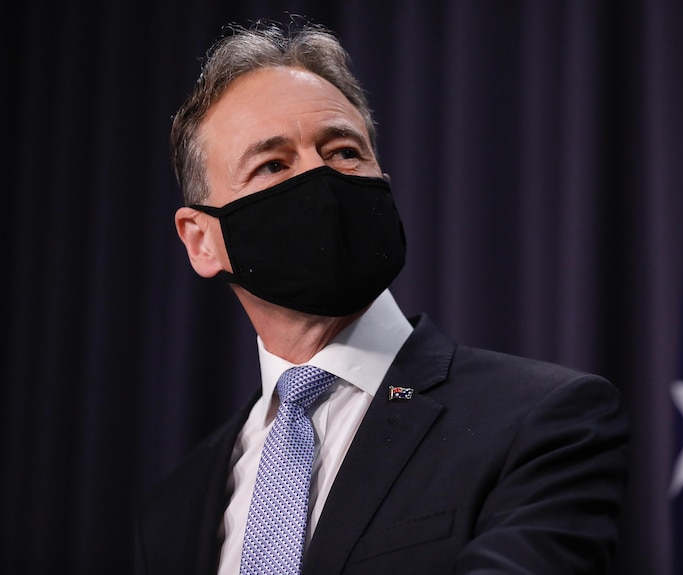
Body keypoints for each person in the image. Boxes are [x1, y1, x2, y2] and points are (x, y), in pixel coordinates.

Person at [134, 18, 629, 575]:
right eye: (273, 165)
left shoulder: (545, 421)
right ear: (202, 242)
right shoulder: (174, 509)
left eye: (344, 151)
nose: (322, 180)